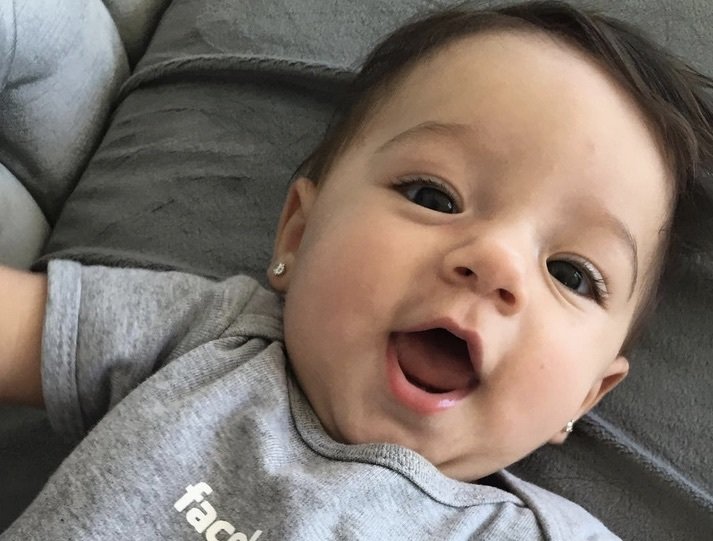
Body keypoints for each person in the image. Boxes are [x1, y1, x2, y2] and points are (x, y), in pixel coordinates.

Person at [1, 1, 711, 539]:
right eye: (433, 196)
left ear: (587, 394)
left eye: (572, 273)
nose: (495, 261)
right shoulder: (210, 343)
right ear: (298, 233)